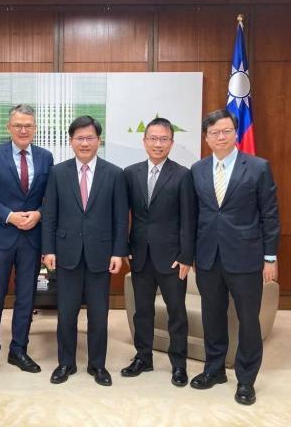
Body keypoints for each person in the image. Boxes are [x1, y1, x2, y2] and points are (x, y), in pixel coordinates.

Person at [190, 109, 280, 406]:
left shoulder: (257, 167)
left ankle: (246, 380)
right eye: (214, 132)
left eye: (226, 131)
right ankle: (214, 370)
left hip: (245, 256)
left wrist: (270, 257)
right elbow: (195, 216)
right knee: (213, 317)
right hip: (208, 257)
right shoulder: (198, 169)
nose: (220, 136)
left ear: (236, 133)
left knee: (247, 321)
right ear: (206, 138)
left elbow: (270, 214)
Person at [42, 115, 128, 387]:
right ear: (71, 141)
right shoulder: (57, 172)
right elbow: (50, 215)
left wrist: (118, 252)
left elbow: (120, 217)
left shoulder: (114, 173)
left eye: (90, 137)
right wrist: (48, 250)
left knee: (99, 314)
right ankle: (65, 363)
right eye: (79, 138)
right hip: (66, 253)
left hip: (100, 255)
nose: (85, 143)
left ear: (98, 141)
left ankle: (97, 365)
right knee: (66, 313)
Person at [0, 104, 53, 379]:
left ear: (35, 128)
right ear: (9, 127)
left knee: (26, 298)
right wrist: (9, 216)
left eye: (28, 125)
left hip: (32, 238)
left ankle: (19, 350)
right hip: (1, 236)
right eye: (18, 125)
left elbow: (51, 198)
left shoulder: (46, 157)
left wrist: (39, 214)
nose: (23, 130)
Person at [122, 117, 196, 387]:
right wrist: (124, 249)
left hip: (173, 258)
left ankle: (179, 364)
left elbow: (190, 218)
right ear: (144, 141)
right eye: (152, 138)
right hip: (139, 254)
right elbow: (122, 215)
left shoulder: (183, 174)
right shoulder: (130, 173)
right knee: (142, 312)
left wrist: (187, 255)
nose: (157, 144)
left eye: (163, 139)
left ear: (171, 143)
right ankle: (143, 357)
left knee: (176, 312)